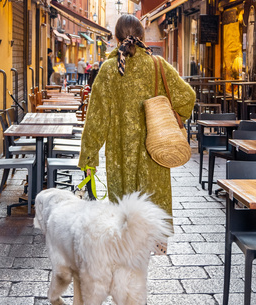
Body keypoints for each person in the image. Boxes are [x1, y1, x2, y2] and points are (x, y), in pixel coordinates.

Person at [78, 14, 196, 225]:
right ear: (142, 37)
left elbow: (97, 119)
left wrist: (89, 159)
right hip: (155, 151)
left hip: (120, 157)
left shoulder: (109, 70)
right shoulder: (157, 64)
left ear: (116, 38)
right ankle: (151, 249)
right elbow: (187, 98)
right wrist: (169, 117)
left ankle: (126, 251)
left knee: (123, 222)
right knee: (152, 215)